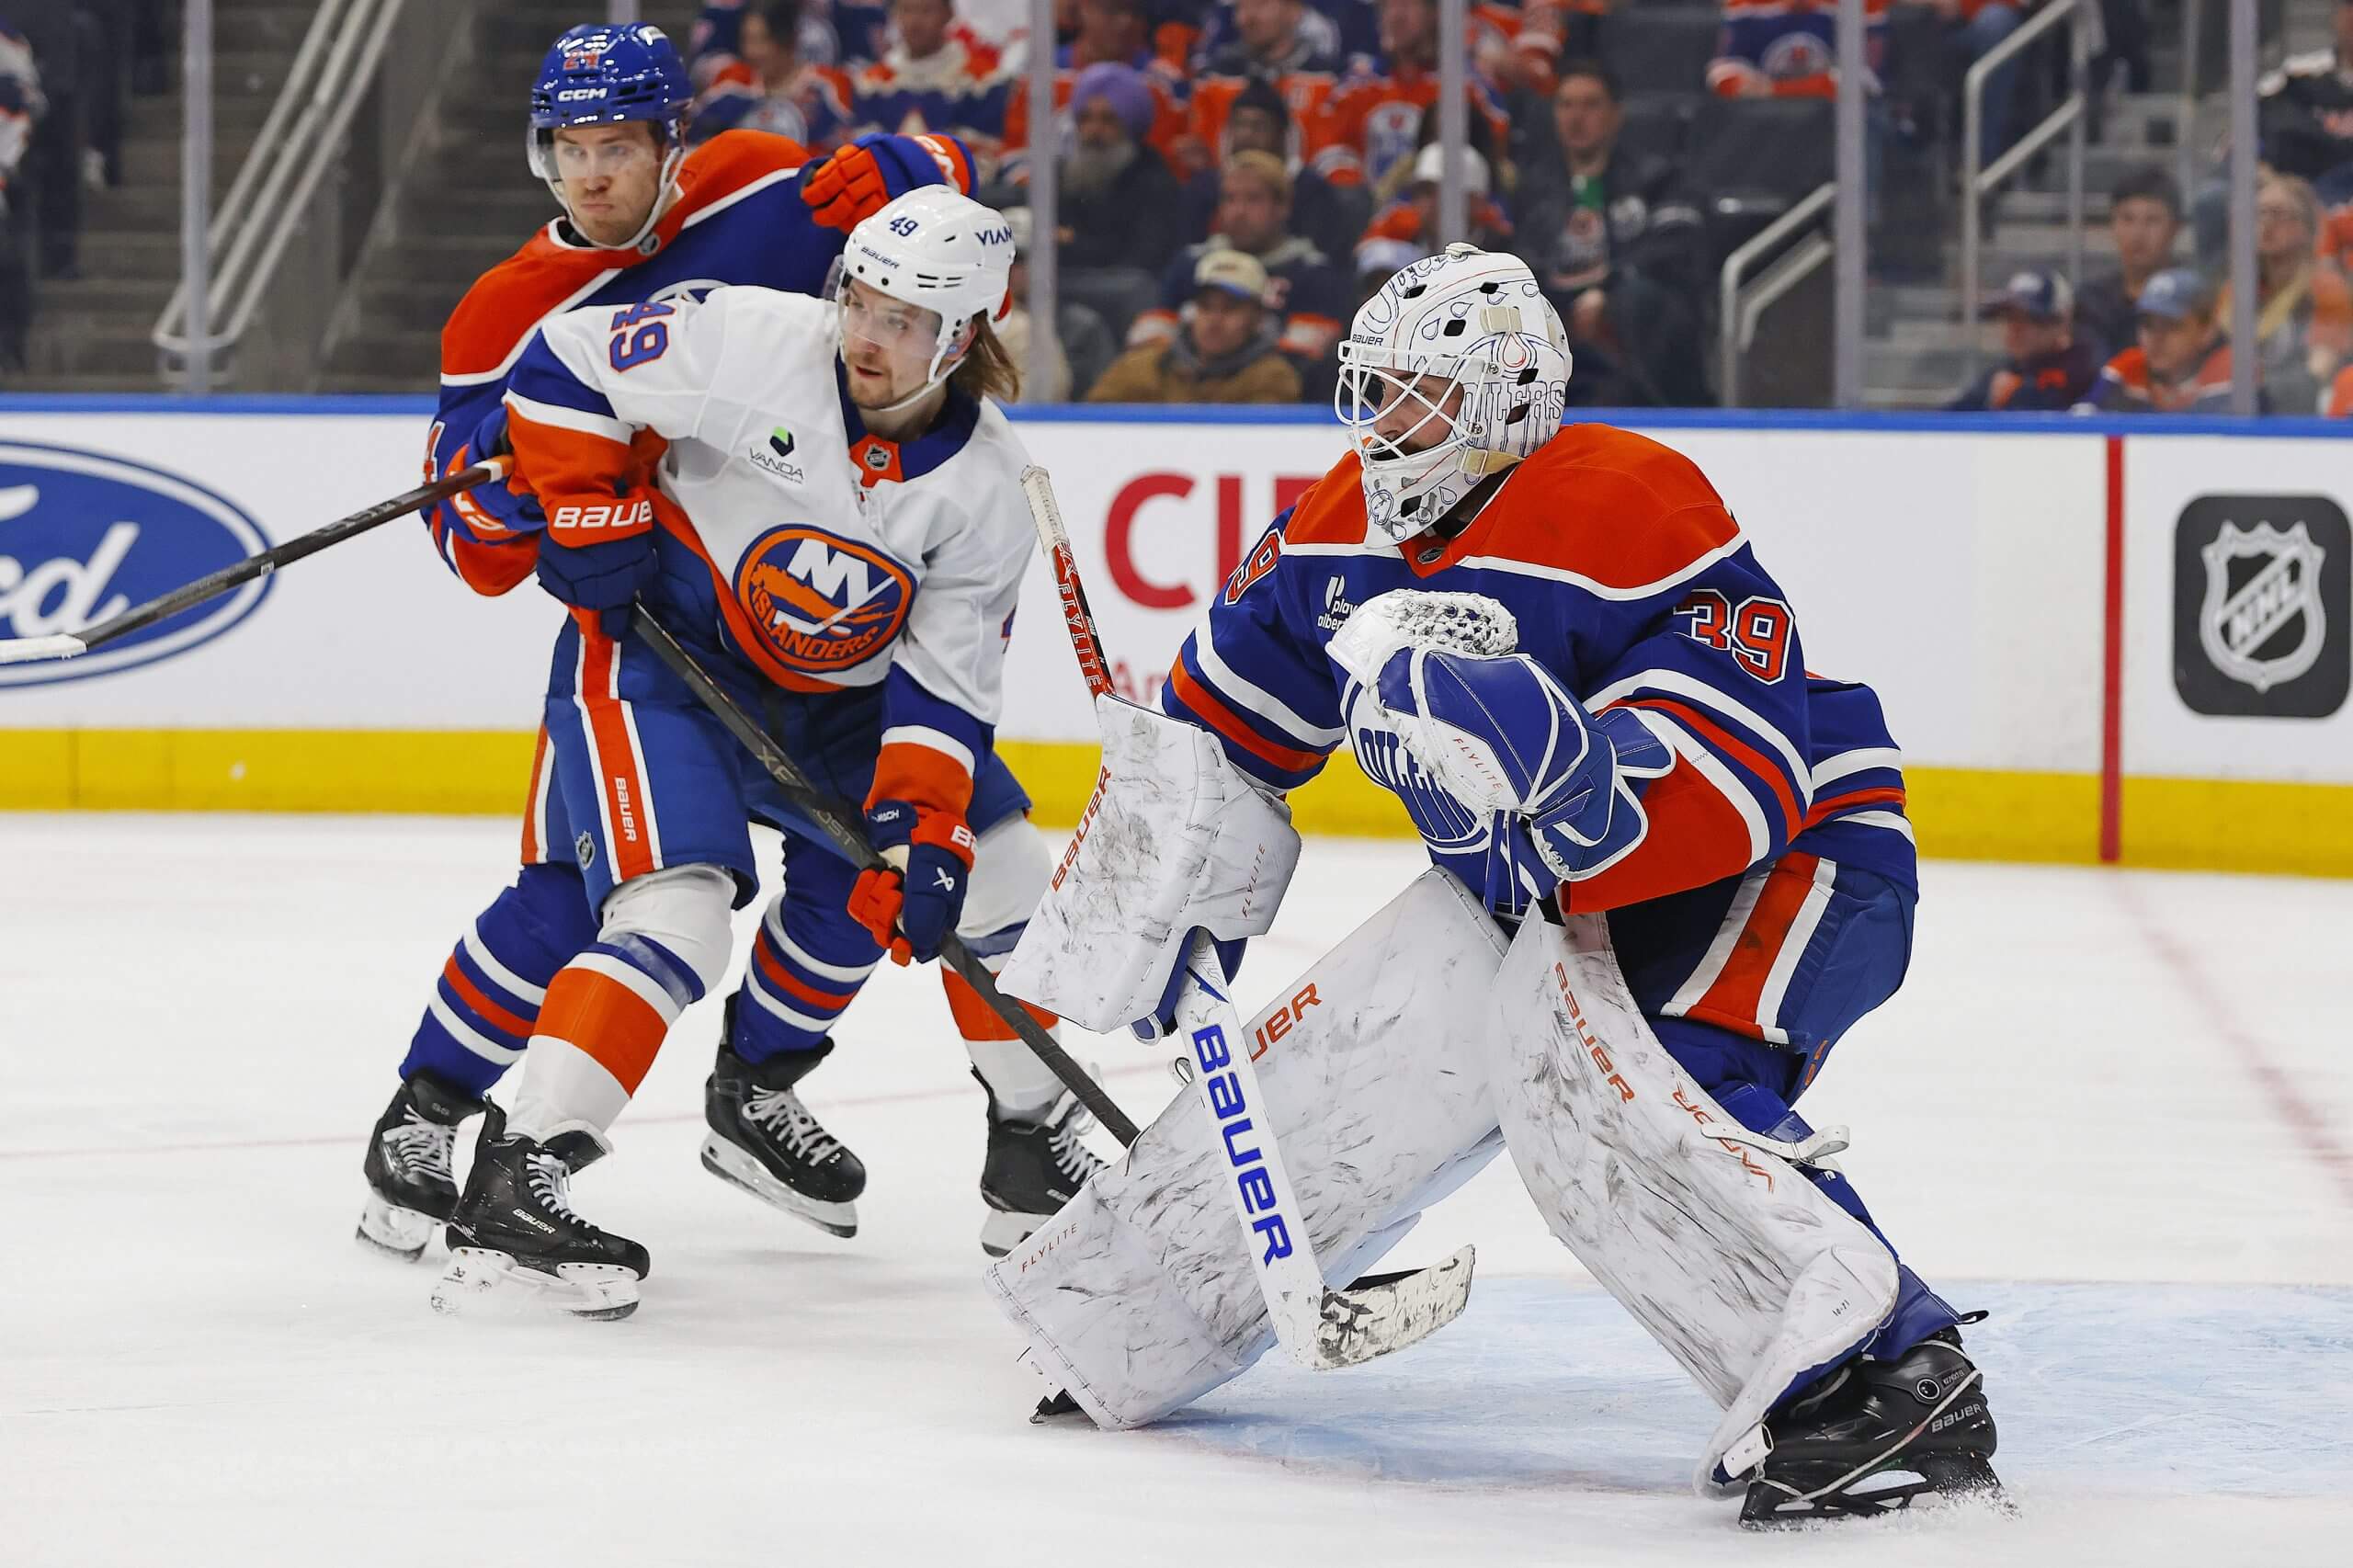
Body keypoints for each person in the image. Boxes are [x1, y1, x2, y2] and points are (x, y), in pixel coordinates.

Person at [994, 243, 2001, 1528]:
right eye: (1375, 389)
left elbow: (1744, 768)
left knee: (1607, 1076)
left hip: (1790, 858)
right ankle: (1128, 1310)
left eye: (1419, 396)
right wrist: (1159, 897)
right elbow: (1217, 738)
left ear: (1504, 402)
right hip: (1536, 894)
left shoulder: (1629, 501)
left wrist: (1575, 771)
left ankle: (1891, 1373)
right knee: (1359, 1053)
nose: (1381, 425)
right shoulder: (1334, 530)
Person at [359, 24, 1091, 1294]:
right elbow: (486, 511)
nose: (592, 176)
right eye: (570, 151)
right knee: (600, 900)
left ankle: (977, 1136)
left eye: (618, 146)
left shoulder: (771, 209)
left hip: (830, 671)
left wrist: (918, 154)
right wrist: (558, 507)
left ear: (670, 143)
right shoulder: (597, 322)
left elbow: (922, 207)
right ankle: (454, 1127)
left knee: (964, 861)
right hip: (654, 625)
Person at [1520, 57, 1710, 405]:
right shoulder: (1531, 188)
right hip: (1556, 313)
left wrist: (1607, 293)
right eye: (1566, 105)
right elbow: (1519, 259)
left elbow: (1673, 253)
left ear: (1615, 115)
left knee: (1639, 299)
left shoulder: (1656, 178)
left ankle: (1662, 413)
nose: (1577, 117)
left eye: (1591, 104)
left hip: (1626, 314)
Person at [1127, 150, 1350, 371]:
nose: (1238, 211)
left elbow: (1306, 358)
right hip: (1187, 390)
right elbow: (1147, 341)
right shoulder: (1191, 263)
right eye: (1229, 199)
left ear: (1283, 207)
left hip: (1273, 396)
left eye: (1253, 199)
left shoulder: (1312, 272)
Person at [1086, 247, 1305, 401]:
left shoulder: (1273, 377)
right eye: (1205, 306)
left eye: (1230, 308)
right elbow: (1092, 425)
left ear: (1257, 317)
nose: (1214, 320)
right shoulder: (1144, 365)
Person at [2213, 172, 2352, 416]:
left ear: (2305, 228)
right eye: (2259, 213)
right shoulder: (2236, 290)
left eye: (2277, 213)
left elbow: (2318, 373)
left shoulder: (2327, 289)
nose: (2266, 223)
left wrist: (2255, 392)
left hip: (2298, 418)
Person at [2074, 267, 2257, 414]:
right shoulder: (2127, 370)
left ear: (2207, 331)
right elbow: (2074, 431)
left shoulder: (2233, 373)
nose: (2156, 338)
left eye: (2171, 326)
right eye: (2147, 325)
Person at [688, 0, 858, 148]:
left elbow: (852, 142)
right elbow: (689, 131)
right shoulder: (733, 82)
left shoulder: (829, 85)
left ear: (789, 40)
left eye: (761, 41)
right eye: (746, 40)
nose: (751, 51)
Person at [851, 0, 1006, 150]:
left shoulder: (982, 82)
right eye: (907, 10)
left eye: (927, 10)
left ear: (949, 14)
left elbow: (981, 157)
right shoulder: (872, 83)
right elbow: (867, 153)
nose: (915, 21)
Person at [2074, 165, 2184, 362]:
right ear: (2112, 225)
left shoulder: (2194, 299)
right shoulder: (2091, 301)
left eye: (2152, 220)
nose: (2137, 234)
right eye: (2127, 219)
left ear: (2176, 228)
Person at [1947, 269, 2101, 411]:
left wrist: (2015, 395)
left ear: (2061, 322)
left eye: (2030, 318)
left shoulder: (2085, 369)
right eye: (2009, 317)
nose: (2015, 329)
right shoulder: (2007, 371)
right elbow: (1947, 418)